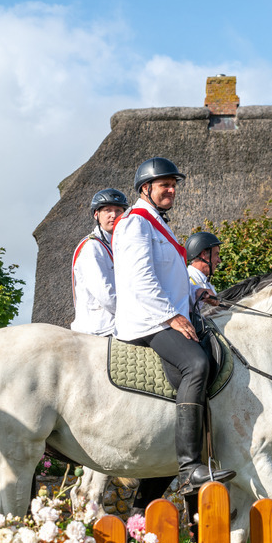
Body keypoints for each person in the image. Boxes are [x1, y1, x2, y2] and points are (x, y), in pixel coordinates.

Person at [112, 157, 235, 495]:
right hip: (148, 321)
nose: (171, 190)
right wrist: (171, 316)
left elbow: (169, 278)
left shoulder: (156, 224)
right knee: (196, 364)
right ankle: (189, 467)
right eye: (164, 184)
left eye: (173, 185)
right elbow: (141, 279)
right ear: (145, 188)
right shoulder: (135, 223)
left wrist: (196, 293)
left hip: (161, 314)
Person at [70, 188, 129, 336]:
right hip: (100, 329)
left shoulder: (118, 245)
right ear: (96, 214)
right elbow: (106, 295)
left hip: (115, 324)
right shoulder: (92, 247)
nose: (113, 215)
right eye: (107, 210)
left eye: (118, 210)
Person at [186, 231, 222, 302]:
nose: (219, 260)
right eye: (216, 255)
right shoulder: (188, 281)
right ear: (204, 254)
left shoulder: (204, 281)